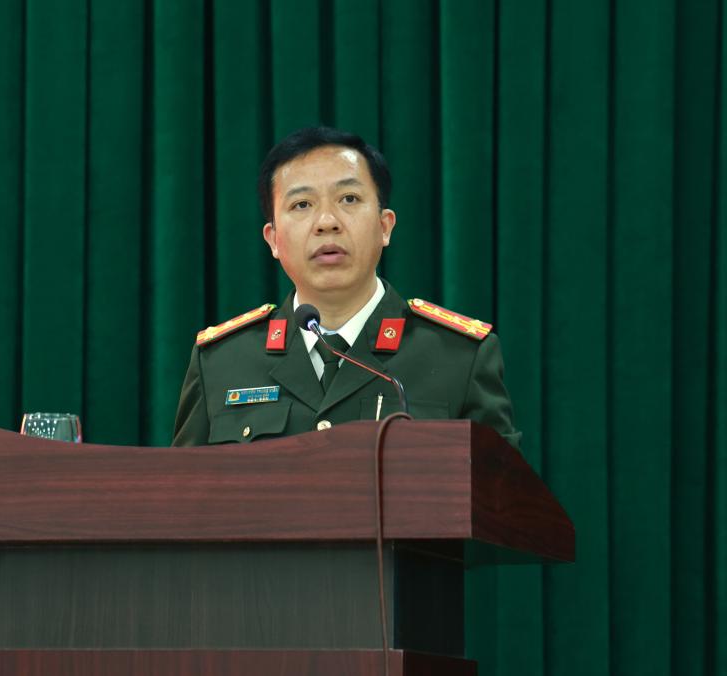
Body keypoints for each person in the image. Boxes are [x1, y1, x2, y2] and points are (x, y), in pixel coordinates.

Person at [171, 127, 520, 450]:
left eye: (349, 199)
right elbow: (182, 492)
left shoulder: (458, 358)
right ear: (273, 239)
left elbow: (500, 494)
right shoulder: (220, 363)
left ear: (385, 226)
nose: (327, 222)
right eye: (302, 205)